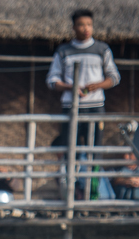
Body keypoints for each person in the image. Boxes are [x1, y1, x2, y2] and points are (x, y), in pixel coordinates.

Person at [46, 8, 120, 147]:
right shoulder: (63, 51)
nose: (86, 28)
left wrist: (98, 85)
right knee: (71, 146)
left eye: (89, 24)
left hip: (96, 106)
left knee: (95, 146)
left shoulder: (102, 49)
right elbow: (51, 80)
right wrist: (71, 88)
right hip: (71, 106)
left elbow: (114, 77)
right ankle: (72, 169)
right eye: (81, 24)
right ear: (74, 27)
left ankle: (95, 170)